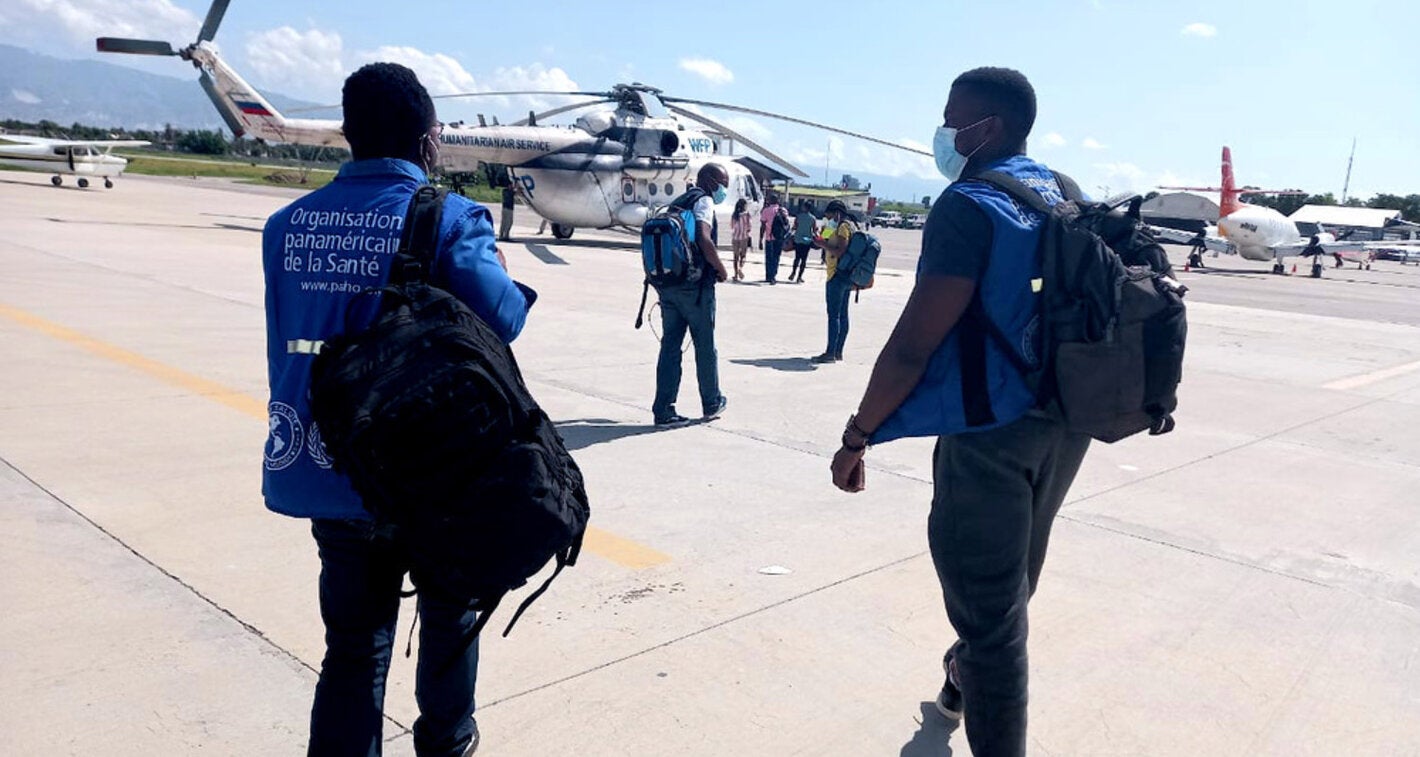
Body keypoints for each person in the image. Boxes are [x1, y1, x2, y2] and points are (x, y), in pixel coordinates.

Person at [261, 62, 534, 757]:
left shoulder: (285, 226)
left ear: (348, 133)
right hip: (430, 473)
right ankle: (447, 742)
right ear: (427, 139)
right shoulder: (449, 218)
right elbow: (504, 317)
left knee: (354, 645)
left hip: (328, 462)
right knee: (449, 615)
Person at [829, 67, 1091, 757]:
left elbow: (914, 343)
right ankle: (958, 682)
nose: (944, 133)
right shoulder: (1065, 193)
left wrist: (858, 435)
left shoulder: (968, 204)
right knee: (1008, 589)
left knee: (994, 624)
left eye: (953, 120)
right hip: (1065, 424)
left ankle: (977, 689)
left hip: (990, 436)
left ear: (988, 127)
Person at [652, 163, 731, 427]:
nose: (724, 190)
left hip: (668, 285)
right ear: (709, 180)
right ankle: (712, 401)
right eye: (722, 183)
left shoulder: (677, 202)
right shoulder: (703, 201)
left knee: (670, 346)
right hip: (695, 288)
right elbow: (703, 238)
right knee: (705, 346)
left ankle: (663, 410)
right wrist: (721, 269)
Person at [811, 199, 858, 363]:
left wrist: (823, 244)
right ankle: (838, 352)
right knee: (843, 315)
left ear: (837, 213)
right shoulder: (845, 226)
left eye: (829, 216)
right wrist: (819, 238)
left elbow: (840, 251)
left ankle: (830, 352)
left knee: (834, 316)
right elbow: (820, 242)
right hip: (847, 275)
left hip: (837, 275)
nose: (828, 219)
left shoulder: (843, 227)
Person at [761, 193, 789, 284]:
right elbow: (786, 224)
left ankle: (769, 276)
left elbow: (763, 226)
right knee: (776, 257)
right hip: (779, 237)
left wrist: (760, 238)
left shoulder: (766, 210)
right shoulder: (783, 211)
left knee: (769, 257)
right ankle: (773, 275)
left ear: (770, 200)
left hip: (769, 237)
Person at [789, 200, 817, 283]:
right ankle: (799, 277)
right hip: (807, 240)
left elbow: (794, 227)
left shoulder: (798, 216)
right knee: (804, 260)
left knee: (797, 258)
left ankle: (793, 273)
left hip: (798, 239)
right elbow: (814, 230)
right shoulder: (813, 218)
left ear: (804, 207)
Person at [731, 197, 752, 282]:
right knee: (743, 256)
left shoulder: (734, 214)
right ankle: (740, 268)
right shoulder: (747, 214)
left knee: (735, 257)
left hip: (735, 237)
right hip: (744, 237)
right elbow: (749, 226)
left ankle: (735, 274)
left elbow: (732, 226)